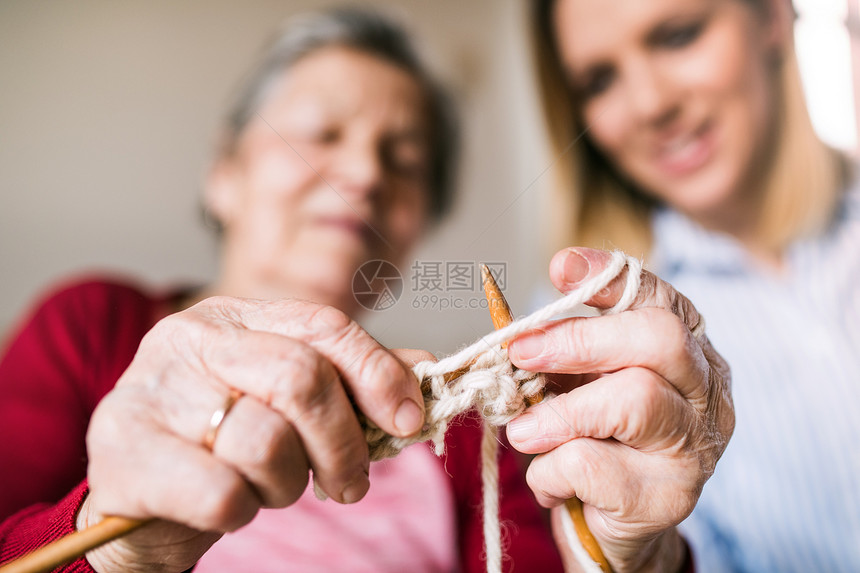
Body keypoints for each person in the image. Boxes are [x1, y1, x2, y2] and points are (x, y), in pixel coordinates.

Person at [0, 8, 567, 573]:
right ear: (225, 173)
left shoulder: (463, 429)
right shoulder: (93, 327)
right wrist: (111, 547)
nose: (368, 174)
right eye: (322, 135)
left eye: (406, 161)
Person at [526, 0, 860, 570]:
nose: (651, 104)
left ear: (772, 17)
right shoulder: (578, 337)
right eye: (599, 79)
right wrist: (639, 552)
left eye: (678, 36)